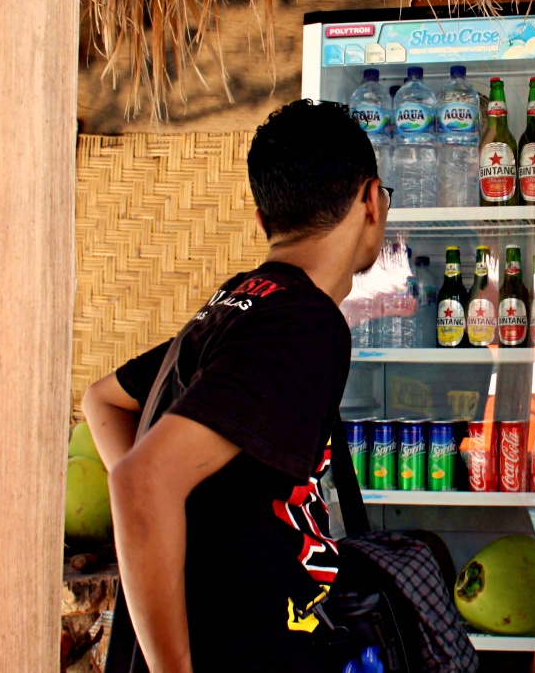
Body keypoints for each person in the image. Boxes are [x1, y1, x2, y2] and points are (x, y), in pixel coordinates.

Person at [83, 99, 389, 672]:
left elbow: (102, 399)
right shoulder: (303, 323)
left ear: (262, 220)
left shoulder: (240, 301)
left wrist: (181, 520)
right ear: (371, 200)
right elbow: (139, 481)